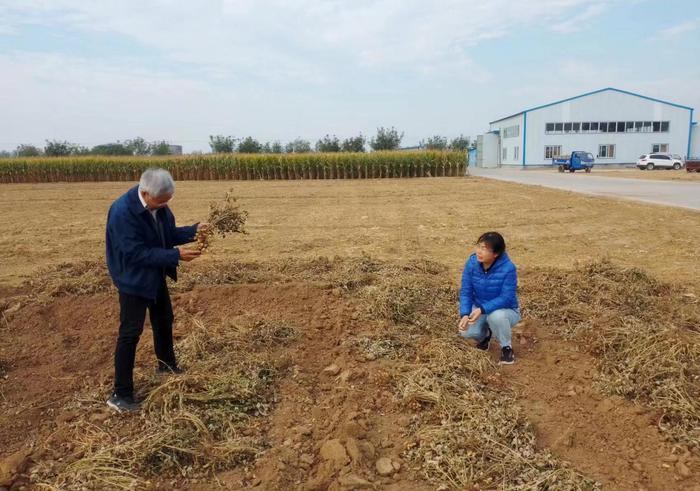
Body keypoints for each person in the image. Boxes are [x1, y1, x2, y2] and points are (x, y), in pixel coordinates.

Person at [105, 168, 207, 412]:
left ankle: (166, 365)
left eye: (167, 201)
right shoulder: (123, 212)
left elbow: (168, 234)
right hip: (133, 279)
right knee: (130, 333)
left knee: (164, 320)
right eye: (161, 201)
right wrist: (175, 255)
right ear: (145, 193)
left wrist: (195, 230)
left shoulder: (158, 206)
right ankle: (120, 394)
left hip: (155, 273)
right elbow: (135, 253)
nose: (165, 205)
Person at [458, 231, 520, 364]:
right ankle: (485, 336)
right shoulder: (472, 263)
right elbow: (466, 291)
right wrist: (464, 314)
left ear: (495, 254)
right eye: (479, 246)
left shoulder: (508, 268)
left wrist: (482, 309)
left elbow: (506, 297)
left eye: (485, 249)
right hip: (480, 308)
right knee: (466, 332)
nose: (479, 252)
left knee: (496, 317)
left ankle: (506, 348)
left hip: (506, 310)